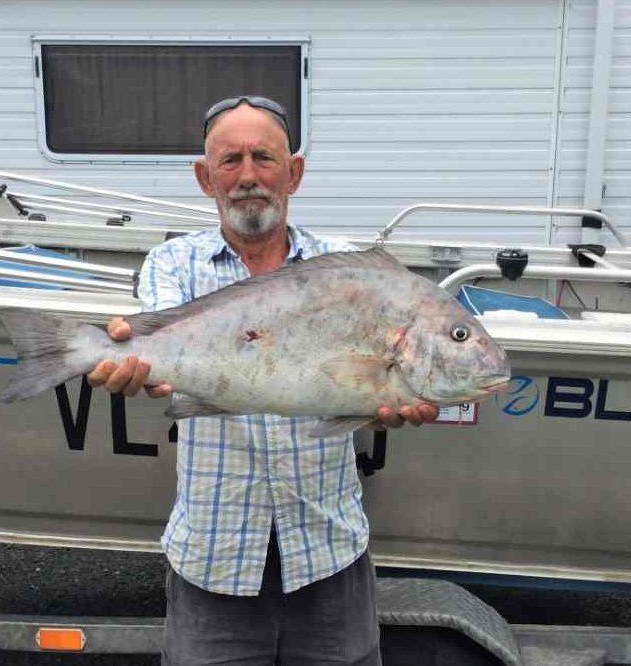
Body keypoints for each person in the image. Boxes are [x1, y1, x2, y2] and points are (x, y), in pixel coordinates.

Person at [87, 96, 439, 665]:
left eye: (264, 158)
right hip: (213, 553)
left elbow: (370, 382)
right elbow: (163, 359)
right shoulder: (174, 263)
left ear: (293, 172)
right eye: (230, 162)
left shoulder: (347, 267)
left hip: (327, 552)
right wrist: (141, 369)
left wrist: (390, 400)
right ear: (205, 178)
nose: (248, 176)